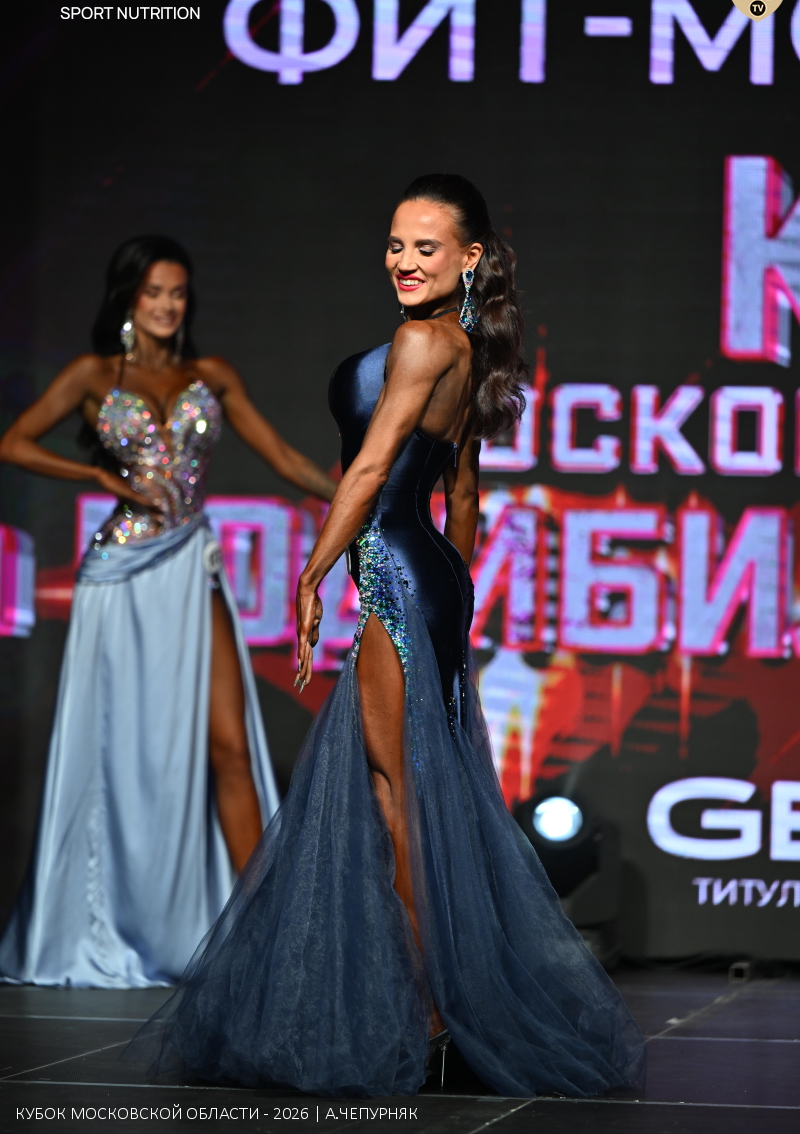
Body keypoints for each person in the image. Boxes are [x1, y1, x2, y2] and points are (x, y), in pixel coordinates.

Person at [127, 179, 645, 1095]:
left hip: (397, 582)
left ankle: (432, 1014)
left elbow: (369, 470)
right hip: (427, 579)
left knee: (398, 803)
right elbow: (463, 496)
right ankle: (438, 1006)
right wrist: (453, 595)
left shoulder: (421, 342)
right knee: (403, 797)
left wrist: (313, 573)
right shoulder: (468, 347)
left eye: (426, 248)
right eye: (397, 245)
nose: (403, 261)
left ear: (470, 258)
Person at [0, 235, 337, 989]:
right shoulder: (93, 375)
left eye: (178, 292)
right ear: (129, 297)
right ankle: (108, 921)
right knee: (119, 754)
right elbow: (13, 443)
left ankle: (267, 933)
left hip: (190, 563)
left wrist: (358, 497)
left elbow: (285, 458)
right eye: (153, 292)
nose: (166, 305)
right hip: (119, 575)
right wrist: (97, 476)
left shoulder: (209, 376)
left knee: (230, 747)